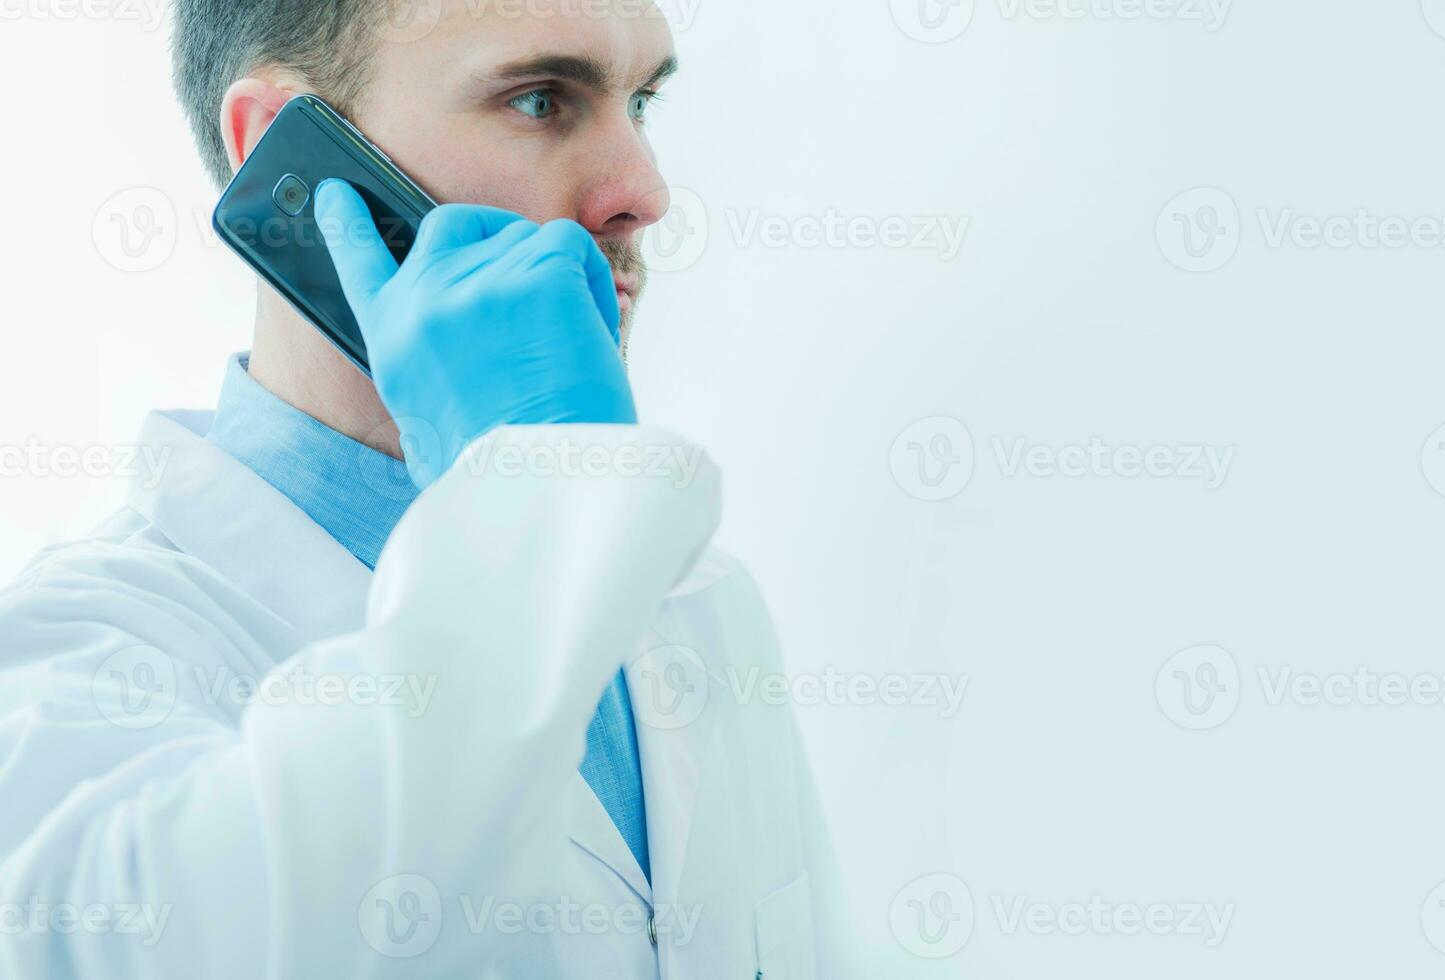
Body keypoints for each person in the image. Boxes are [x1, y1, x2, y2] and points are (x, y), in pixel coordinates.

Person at [0, 1, 845, 976]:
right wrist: (537, 482)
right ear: (279, 152)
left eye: (641, 102)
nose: (643, 191)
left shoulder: (705, 608)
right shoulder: (72, 671)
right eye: (540, 99)